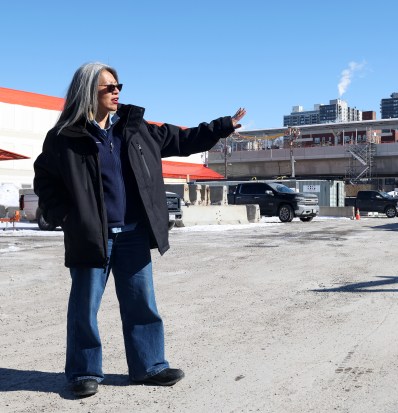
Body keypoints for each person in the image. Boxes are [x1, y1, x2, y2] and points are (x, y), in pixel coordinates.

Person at [33, 62, 245, 398]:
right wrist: (68, 217)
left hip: (132, 233)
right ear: (89, 91)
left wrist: (221, 127)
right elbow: (44, 180)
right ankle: (83, 373)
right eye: (109, 87)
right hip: (91, 236)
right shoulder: (64, 138)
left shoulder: (134, 129)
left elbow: (182, 138)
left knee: (141, 304)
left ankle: (150, 366)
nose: (117, 91)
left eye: (119, 86)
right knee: (84, 308)